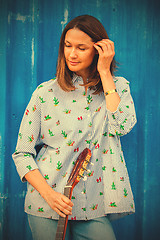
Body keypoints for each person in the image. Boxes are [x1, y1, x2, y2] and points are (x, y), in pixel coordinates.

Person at [12, 15, 137, 240]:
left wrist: (105, 73)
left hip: (92, 204)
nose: (72, 53)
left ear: (98, 50)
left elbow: (123, 125)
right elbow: (22, 153)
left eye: (81, 47)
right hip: (47, 203)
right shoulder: (45, 93)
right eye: (68, 46)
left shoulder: (117, 87)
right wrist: (49, 195)